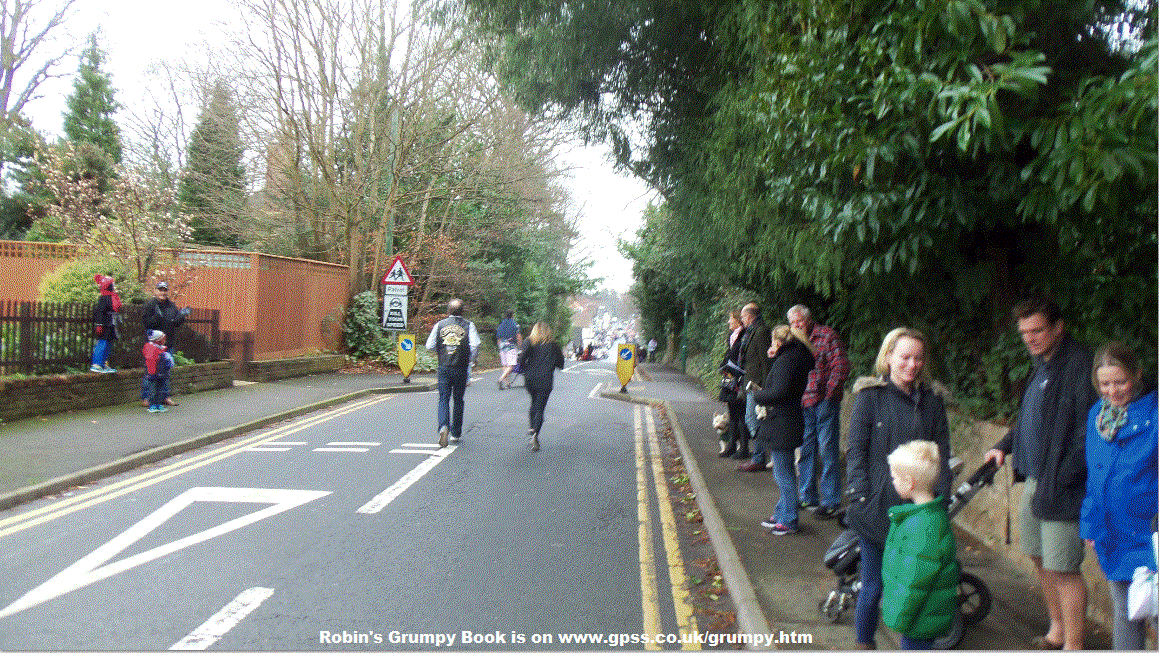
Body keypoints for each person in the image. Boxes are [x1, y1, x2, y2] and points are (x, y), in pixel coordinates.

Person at [983, 296, 1097, 650]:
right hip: (1034, 479)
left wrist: (1061, 479)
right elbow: (1030, 418)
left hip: (1063, 486)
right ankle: (1056, 631)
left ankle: (1073, 645)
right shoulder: (1041, 363)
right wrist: (1004, 444)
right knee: (1039, 557)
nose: (1030, 338)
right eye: (1024, 332)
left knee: (1063, 567)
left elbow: (1086, 435)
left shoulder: (1080, 366)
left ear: (1058, 327)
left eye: (1037, 330)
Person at [846, 327, 953, 649]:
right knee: (873, 587)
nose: (912, 364)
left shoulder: (932, 402)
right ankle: (864, 643)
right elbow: (856, 451)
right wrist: (860, 495)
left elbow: (943, 455)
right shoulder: (870, 398)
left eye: (918, 358)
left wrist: (940, 500)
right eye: (905, 356)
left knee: (914, 588)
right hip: (876, 510)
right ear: (888, 357)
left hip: (919, 515)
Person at [1080, 342, 1157, 650]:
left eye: (1120, 381)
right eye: (1104, 384)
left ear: (1136, 375)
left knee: (1155, 612)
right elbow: (1094, 474)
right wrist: (1089, 523)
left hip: (1150, 534)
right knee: (1125, 613)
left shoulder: (1154, 416)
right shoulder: (1096, 415)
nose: (1112, 391)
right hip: (1112, 532)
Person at [881, 439, 961, 649]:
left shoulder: (922, 527)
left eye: (895, 477)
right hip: (925, 614)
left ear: (909, 482)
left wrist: (900, 617)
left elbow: (915, 582)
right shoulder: (930, 517)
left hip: (919, 619)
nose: (892, 481)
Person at [788, 304, 851, 519]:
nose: (797, 326)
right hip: (803, 401)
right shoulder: (792, 340)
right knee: (806, 450)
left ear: (808, 320)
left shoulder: (826, 335)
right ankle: (807, 496)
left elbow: (841, 365)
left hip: (824, 400)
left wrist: (830, 394)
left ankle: (831, 500)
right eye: (793, 323)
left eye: (800, 322)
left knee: (827, 450)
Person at [753, 325, 815, 535]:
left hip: (783, 421)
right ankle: (781, 513)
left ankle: (789, 519)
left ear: (779, 342)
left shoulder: (787, 361)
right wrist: (774, 357)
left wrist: (758, 396)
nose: (771, 346)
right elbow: (783, 383)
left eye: (772, 342)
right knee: (784, 471)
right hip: (791, 419)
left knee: (783, 474)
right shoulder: (796, 357)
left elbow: (778, 391)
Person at [426, 298, 480, 447]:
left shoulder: (440, 325)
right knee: (458, 399)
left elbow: (429, 345)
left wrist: (441, 350)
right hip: (461, 367)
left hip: (444, 366)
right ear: (463, 312)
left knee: (443, 398)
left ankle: (443, 426)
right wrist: (471, 359)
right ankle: (456, 433)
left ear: (448, 311)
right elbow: (475, 344)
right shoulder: (469, 325)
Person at [517, 321, 565, 452]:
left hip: (530, 378)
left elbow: (521, 358)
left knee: (534, 402)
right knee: (540, 407)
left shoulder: (528, 341)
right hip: (545, 379)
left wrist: (524, 367)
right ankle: (535, 433)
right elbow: (561, 363)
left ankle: (532, 426)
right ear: (548, 331)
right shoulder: (553, 345)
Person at [736, 303, 773, 472]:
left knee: (752, 419)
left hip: (757, 384)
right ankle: (760, 455)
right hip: (749, 382)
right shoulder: (750, 332)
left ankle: (763, 455)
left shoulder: (761, 331)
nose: (741, 320)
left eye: (743, 317)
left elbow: (766, 361)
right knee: (754, 419)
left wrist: (766, 387)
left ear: (749, 317)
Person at [140, 281, 189, 407]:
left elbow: (175, 323)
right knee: (150, 372)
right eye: (160, 290)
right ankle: (147, 398)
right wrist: (156, 317)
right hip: (153, 346)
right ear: (156, 291)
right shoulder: (150, 305)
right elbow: (147, 323)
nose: (163, 293)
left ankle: (165, 397)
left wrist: (182, 315)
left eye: (164, 290)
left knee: (166, 371)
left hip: (168, 344)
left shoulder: (171, 306)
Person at [719, 310, 749, 458]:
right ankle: (731, 445)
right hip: (729, 375)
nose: (729, 322)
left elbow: (741, 356)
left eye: (731, 319)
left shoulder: (744, 335)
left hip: (739, 377)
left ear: (738, 321)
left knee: (741, 414)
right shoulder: (732, 336)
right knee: (732, 414)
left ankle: (743, 448)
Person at [90, 274, 121, 373]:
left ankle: (103, 364)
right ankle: (96, 364)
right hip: (105, 324)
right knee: (102, 343)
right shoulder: (103, 298)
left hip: (111, 324)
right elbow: (99, 312)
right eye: (112, 285)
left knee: (108, 344)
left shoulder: (111, 297)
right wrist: (99, 325)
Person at [142, 330, 174, 413]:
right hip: (154, 374)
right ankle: (152, 405)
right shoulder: (152, 349)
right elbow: (151, 362)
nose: (165, 340)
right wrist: (152, 373)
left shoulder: (162, 349)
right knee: (153, 390)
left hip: (161, 374)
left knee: (160, 390)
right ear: (158, 340)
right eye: (163, 338)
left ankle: (159, 404)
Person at [496, 311, 522, 389]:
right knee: (512, 365)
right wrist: (521, 346)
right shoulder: (515, 325)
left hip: (502, 346)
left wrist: (499, 348)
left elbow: (498, 338)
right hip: (511, 346)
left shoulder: (500, 325)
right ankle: (500, 379)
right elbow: (518, 336)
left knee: (505, 365)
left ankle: (508, 383)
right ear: (513, 315)